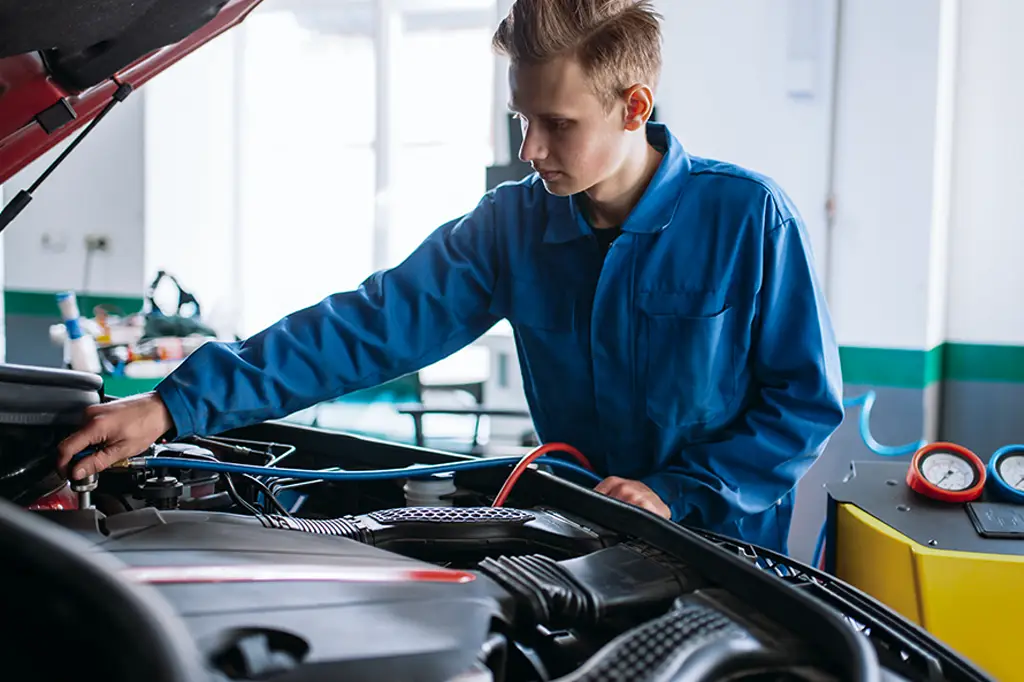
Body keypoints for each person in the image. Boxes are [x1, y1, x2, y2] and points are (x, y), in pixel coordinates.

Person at [58, 0, 843, 554]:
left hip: (727, 557)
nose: (531, 149)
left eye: (558, 125)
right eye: (521, 119)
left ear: (633, 106)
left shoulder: (748, 220)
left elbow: (800, 406)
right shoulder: (513, 226)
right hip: (581, 538)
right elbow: (368, 326)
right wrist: (175, 404)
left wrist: (676, 489)